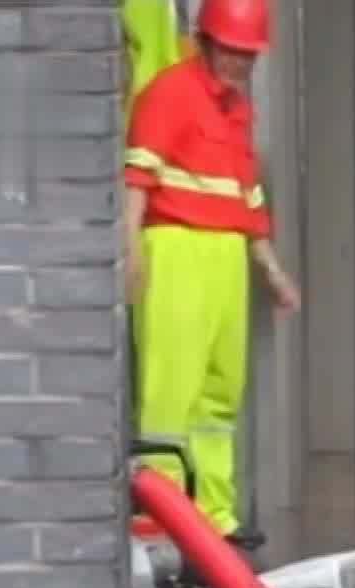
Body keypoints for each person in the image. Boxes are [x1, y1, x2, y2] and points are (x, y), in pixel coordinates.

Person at [124, 0, 300, 550]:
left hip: (225, 256)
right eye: (231, 51)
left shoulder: (238, 108)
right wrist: (129, 250)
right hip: (175, 246)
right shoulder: (170, 93)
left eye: (248, 56)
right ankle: (159, 519)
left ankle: (213, 518)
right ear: (204, 41)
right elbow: (137, 178)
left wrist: (270, 268)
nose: (240, 64)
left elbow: (247, 193)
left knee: (219, 399)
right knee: (169, 391)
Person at [121, 0, 188, 116]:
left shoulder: (114, 7)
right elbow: (169, 54)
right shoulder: (160, 4)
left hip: (125, 90)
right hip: (152, 90)